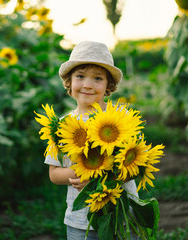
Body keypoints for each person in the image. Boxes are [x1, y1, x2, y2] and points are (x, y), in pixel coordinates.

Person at [44, 41, 139, 240]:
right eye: (80, 76)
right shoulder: (61, 126)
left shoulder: (121, 118)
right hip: (81, 220)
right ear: (69, 81)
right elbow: (54, 173)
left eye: (97, 78)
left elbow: (136, 166)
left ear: (108, 86)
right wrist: (83, 173)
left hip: (122, 216)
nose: (87, 85)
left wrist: (100, 177)